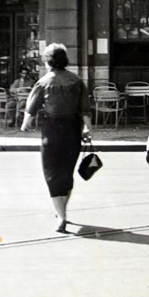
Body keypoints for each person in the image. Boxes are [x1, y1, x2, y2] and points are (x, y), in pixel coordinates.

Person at [21, 43, 92, 234]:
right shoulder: (76, 81)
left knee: (52, 174)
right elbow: (85, 109)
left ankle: (61, 217)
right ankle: (62, 211)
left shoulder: (43, 82)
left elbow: (30, 110)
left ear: (48, 62)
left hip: (51, 132)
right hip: (73, 130)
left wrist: (25, 124)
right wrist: (87, 128)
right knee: (66, 173)